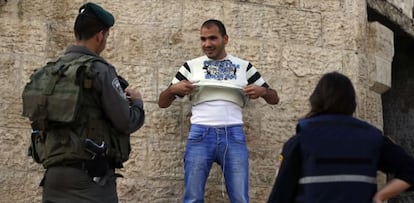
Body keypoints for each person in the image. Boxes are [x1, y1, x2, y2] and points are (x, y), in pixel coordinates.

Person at [21, 2, 145, 203]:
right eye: (106, 35)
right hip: (90, 182)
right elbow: (126, 122)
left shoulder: (49, 72)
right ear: (100, 35)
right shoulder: (100, 71)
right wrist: (137, 103)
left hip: (53, 179)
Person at [158, 19, 279, 203]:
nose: (207, 44)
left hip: (233, 135)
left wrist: (262, 91)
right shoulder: (190, 66)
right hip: (200, 134)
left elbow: (274, 98)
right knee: (192, 198)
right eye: (203, 39)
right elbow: (162, 102)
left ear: (226, 39)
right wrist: (173, 90)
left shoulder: (244, 66)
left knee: (240, 198)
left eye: (213, 38)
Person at [267, 71, 414, 203]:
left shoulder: (300, 141)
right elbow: (410, 171)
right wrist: (380, 196)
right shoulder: (372, 138)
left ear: (316, 100)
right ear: (352, 102)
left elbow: (280, 196)